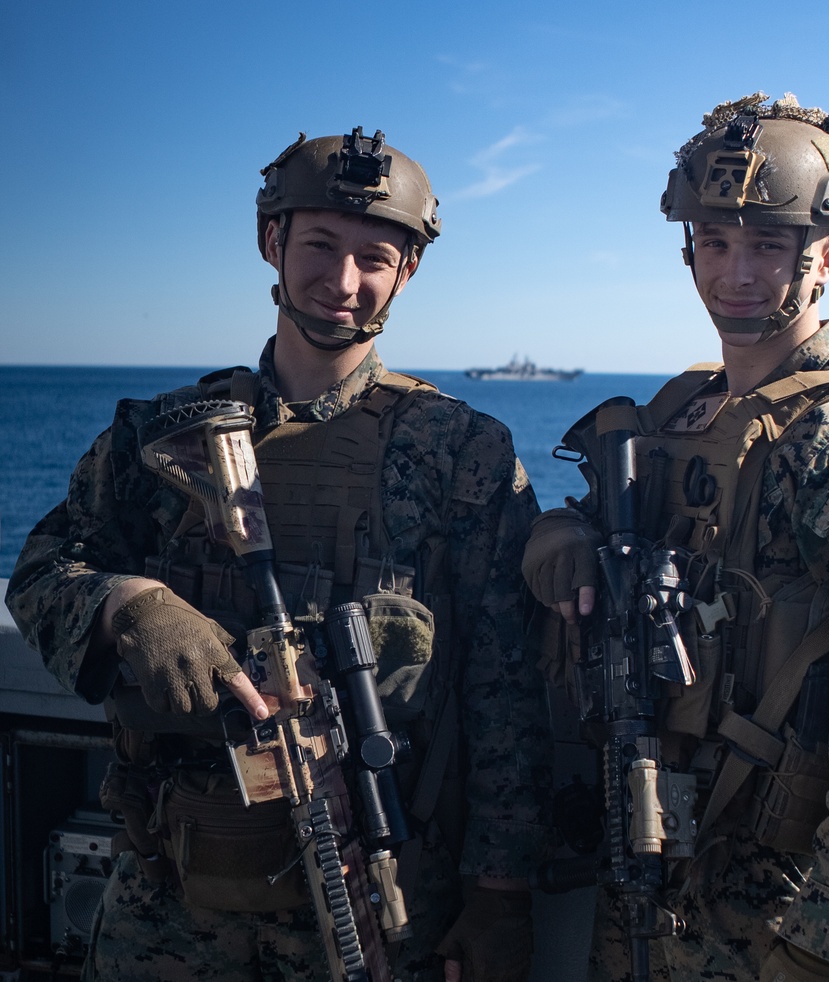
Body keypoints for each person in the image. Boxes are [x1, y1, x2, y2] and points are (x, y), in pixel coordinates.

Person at [5, 127, 552, 982]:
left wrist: (499, 897)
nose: (343, 283)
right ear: (273, 242)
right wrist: (127, 604)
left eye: (375, 258)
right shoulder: (161, 437)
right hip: (173, 901)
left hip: (377, 897)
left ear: (406, 272)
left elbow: (504, 689)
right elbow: (45, 569)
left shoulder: (461, 451)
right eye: (320, 246)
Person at [521, 93, 829, 982]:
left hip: (778, 915)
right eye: (714, 242)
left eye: (768, 245)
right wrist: (557, 534)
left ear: (827, 258)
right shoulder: (677, 417)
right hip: (646, 882)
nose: (735, 273)